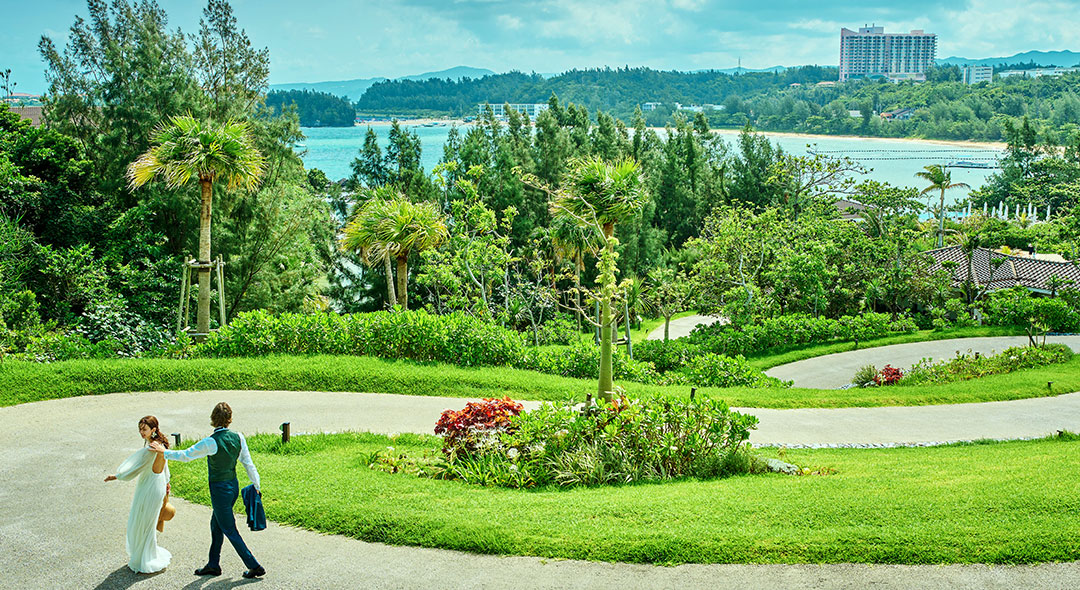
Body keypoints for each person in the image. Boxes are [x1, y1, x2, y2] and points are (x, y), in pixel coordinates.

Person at [150, 402, 265, 579]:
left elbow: (186, 455)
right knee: (216, 525)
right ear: (229, 419)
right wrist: (256, 485)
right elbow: (248, 464)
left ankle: (254, 565)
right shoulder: (239, 437)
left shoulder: (211, 442)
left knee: (229, 529)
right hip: (232, 486)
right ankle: (213, 564)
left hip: (219, 491)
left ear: (213, 419)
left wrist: (163, 451)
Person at [104, 416, 172, 574]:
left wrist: (116, 476)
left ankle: (145, 558)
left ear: (153, 430)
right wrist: (167, 482)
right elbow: (165, 467)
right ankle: (148, 553)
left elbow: (134, 468)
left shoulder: (151, 448)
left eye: (144, 429)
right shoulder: (160, 445)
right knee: (148, 522)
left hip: (149, 486)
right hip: (158, 484)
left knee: (142, 522)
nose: (141, 432)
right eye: (140, 429)